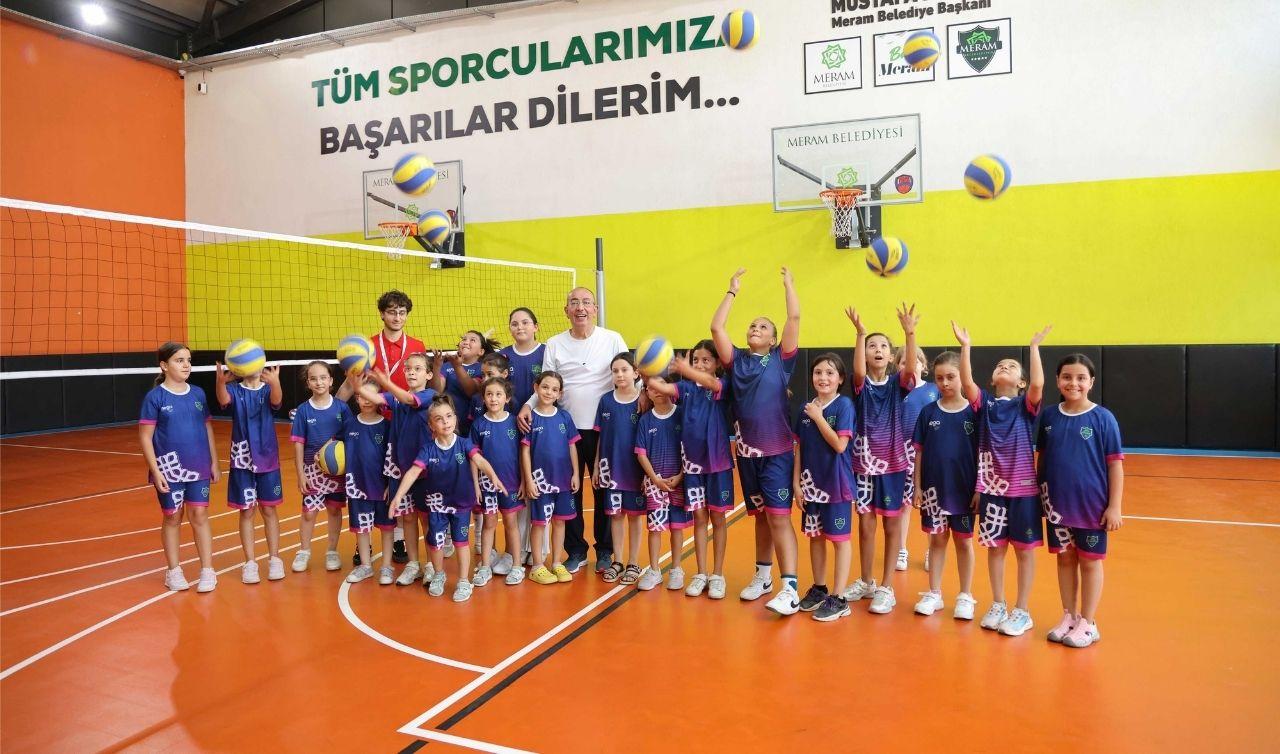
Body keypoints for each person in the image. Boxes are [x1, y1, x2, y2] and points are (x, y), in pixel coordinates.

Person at [710, 267, 802, 616]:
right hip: (747, 454)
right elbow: (717, 328)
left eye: (763, 327)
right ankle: (763, 577)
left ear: (773, 339)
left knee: (779, 517)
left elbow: (794, 317)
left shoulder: (780, 360)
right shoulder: (736, 361)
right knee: (761, 517)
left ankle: (789, 588)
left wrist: (788, 285)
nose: (755, 329)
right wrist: (731, 291)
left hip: (777, 452)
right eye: (752, 325)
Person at [518, 288, 627, 576]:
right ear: (566, 310)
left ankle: (605, 551)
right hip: (565, 430)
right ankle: (576, 551)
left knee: (603, 490)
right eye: (574, 303)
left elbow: (627, 374)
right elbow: (546, 382)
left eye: (586, 302)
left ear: (595, 309)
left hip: (605, 429)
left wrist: (640, 396)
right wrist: (527, 405)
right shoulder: (555, 344)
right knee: (569, 491)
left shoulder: (612, 339)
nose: (581, 308)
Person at [954, 322, 1051, 636]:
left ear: (1021, 382)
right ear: (992, 379)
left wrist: (1034, 348)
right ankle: (998, 603)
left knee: (1024, 550)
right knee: (995, 549)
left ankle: (1022, 610)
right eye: (999, 366)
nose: (1004, 367)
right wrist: (965, 347)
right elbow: (966, 382)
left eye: (1011, 366)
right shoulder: (984, 404)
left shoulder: (1025, 405)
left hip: (1022, 491)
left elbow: (1038, 383)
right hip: (992, 490)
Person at [1038, 354, 1124, 649]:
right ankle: (1069, 616)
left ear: (1091, 382)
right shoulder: (1049, 417)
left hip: (1091, 508)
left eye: (1080, 378)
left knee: (1089, 562)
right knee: (1064, 559)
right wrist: (1040, 496)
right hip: (1057, 506)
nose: (1073, 383)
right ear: (1057, 380)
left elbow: (1115, 465)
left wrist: (1114, 506)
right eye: (1067, 377)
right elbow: (1042, 459)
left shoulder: (1103, 418)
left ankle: (1088, 622)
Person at [390, 395, 507, 602]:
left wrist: (494, 476)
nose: (445, 421)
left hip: (461, 505)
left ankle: (463, 581)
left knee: (461, 543)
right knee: (436, 543)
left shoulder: (464, 444)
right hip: (436, 506)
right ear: (431, 425)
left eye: (449, 416)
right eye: (439, 418)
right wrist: (398, 495)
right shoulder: (428, 449)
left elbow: (480, 461)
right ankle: (438, 574)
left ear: (455, 418)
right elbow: (413, 472)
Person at [844, 303, 919, 614]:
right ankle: (867, 581)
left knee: (891, 525)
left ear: (891, 357)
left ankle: (887, 587)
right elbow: (859, 370)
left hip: (894, 465)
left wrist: (909, 333)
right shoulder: (860, 385)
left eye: (883, 346)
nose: (877, 349)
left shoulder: (897, 385)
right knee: (865, 525)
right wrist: (860, 334)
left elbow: (911, 369)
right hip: (863, 465)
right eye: (872, 346)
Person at [644, 341, 734, 598]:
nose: (700, 364)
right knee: (699, 518)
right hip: (693, 466)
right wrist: (647, 369)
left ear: (717, 363)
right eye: (696, 360)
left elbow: (711, 383)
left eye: (706, 360)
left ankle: (717, 575)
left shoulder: (722, 385)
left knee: (718, 518)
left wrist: (687, 369)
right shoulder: (685, 388)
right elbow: (662, 387)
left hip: (717, 464)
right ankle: (701, 573)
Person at [138, 342, 219, 593]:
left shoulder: (198, 394)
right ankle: (173, 571)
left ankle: (207, 570)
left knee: (200, 515)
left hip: (198, 466)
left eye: (188, 360)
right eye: (179, 360)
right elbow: (145, 437)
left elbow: (207, 428)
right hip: (168, 468)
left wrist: (214, 461)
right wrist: (156, 471)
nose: (186, 365)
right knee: (173, 516)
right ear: (164, 365)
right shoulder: (155, 397)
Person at [353, 356, 436, 587]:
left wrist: (386, 382)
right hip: (401, 469)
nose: (411, 372)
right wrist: (357, 386)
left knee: (427, 519)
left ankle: (432, 565)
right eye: (408, 369)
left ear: (429, 375)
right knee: (407, 518)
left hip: (425, 471)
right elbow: (378, 398)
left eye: (418, 369)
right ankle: (413, 564)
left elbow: (409, 399)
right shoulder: (396, 399)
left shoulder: (429, 396)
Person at [910, 351, 980, 620]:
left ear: (962, 376)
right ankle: (934, 593)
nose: (945, 383)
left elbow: (983, 454)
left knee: (964, 542)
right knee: (937, 540)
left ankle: (965, 595)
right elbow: (919, 453)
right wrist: (917, 487)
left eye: (951, 377)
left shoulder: (974, 412)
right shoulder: (928, 412)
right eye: (939, 378)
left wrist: (979, 488)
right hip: (933, 491)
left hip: (964, 491)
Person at [792, 353, 856, 622]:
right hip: (811, 486)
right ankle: (820, 588)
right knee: (815, 537)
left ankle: (839, 598)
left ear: (840, 379)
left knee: (839, 540)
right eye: (818, 372)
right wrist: (796, 484)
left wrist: (819, 417)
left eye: (830, 373)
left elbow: (840, 445)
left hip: (837, 484)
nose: (823, 377)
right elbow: (799, 448)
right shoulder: (805, 410)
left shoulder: (844, 406)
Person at [215, 359, 284, 584]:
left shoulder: (267, 389)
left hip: (268, 459)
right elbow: (223, 400)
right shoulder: (235, 390)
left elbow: (277, 401)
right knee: (246, 511)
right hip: (241, 460)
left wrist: (275, 383)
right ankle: (250, 563)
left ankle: (274, 559)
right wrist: (220, 382)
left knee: (269, 509)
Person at [370, 290, 426, 564]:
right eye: (392, 311)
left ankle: (401, 540)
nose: (397, 317)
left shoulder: (417, 345)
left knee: (407, 484)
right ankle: (365, 541)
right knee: (375, 484)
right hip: (375, 421)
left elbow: (425, 385)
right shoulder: (368, 346)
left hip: (406, 424)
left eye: (402, 312)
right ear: (382, 314)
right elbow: (352, 384)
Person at [521, 371, 581, 585]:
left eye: (554, 389)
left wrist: (576, 473)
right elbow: (525, 451)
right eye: (545, 387)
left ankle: (556, 562)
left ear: (560, 394)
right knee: (539, 523)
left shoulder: (564, 417)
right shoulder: (531, 418)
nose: (549, 392)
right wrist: (528, 480)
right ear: (536, 388)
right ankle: (537, 565)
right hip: (540, 483)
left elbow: (572, 446)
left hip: (563, 480)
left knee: (559, 522)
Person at [290, 361, 350, 572]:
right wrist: (300, 474)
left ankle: (332, 551)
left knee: (334, 510)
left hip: (336, 471)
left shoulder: (342, 408)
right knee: (309, 513)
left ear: (331, 381)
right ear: (308, 383)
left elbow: (349, 436)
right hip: (312, 472)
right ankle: (304, 551)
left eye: (323, 378)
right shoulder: (303, 411)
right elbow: (298, 444)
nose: (319, 382)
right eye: (313, 379)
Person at [592, 353, 646, 585]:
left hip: (634, 469)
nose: (620, 374)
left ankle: (633, 562)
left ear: (636, 373)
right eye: (615, 371)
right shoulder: (606, 401)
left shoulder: (642, 401)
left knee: (634, 517)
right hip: (610, 469)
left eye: (624, 370)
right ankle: (618, 560)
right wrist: (596, 466)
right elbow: (600, 437)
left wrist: (648, 473)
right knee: (615, 516)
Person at [501, 307, 546, 570]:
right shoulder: (504, 356)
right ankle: (515, 550)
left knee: (537, 487)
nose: (520, 327)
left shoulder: (546, 352)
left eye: (525, 322)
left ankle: (537, 549)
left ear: (535, 327)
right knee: (517, 488)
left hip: (540, 428)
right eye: (515, 323)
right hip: (510, 429)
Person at [469, 377, 525, 585]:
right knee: (489, 523)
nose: (493, 398)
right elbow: (473, 458)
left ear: (507, 398)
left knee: (511, 523)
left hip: (511, 484)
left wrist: (524, 481)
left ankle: (517, 566)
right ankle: (485, 566)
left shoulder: (514, 422)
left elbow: (523, 454)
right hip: (487, 486)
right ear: (483, 398)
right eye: (489, 394)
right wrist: (476, 485)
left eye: (498, 394)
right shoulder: (478, 424)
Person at [634, 378, 687, 591]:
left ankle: (676, 569)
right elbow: (641, 453)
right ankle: (654, 570)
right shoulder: (645, 420)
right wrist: (654, 479)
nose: (657, 390)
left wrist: (681, 475)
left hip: (678, 482)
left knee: (677, 527)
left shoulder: (681, 414)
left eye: (661, 385)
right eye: (651, 388)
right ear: (647, 393)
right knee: (655, 528)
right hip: (654, 483)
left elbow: (690, 447)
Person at [342, 391, 394, 584]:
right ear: (357, 398)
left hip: (382, 487)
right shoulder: (349, 424)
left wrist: (391, 484)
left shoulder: (387, 426)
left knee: (387, 528)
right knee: (362, 529)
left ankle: (387, 566)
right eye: (362, 396)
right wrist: (321, 455)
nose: (367, 400)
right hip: (357, 486)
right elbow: (335, 445)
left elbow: (393, 456)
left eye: (371, 396)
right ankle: (365, 566)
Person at [898, 347, 937, 571]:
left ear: (924, 365)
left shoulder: (934, 389)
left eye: (915, 362)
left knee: (930, 504)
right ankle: (901, 549)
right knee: (903, 505)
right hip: (903, 454)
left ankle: (932, 551)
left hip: (929, 453)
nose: (910, 366)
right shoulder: (898, 391)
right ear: (897, 367)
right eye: (904, 363)